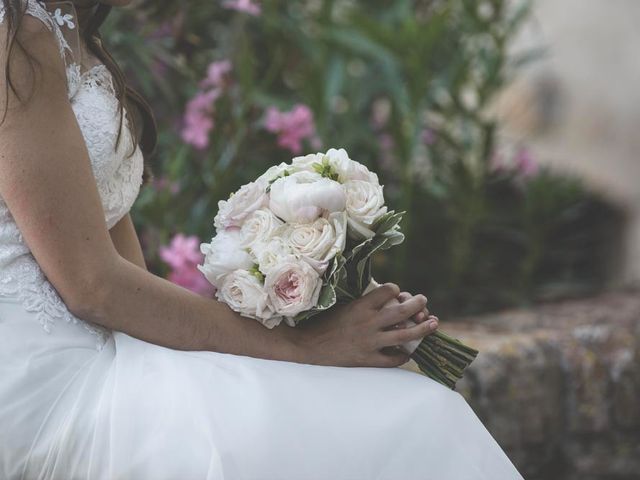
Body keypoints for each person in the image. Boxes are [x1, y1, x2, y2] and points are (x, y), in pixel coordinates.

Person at [0, 1, 523, 478]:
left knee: (409, 406)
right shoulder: (14, 39)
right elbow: (92, 286)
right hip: (46, 379)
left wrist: (299, 298)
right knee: (384, 420)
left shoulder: (66, 22)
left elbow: (116, 250)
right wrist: (303, 345)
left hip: (110, 340)